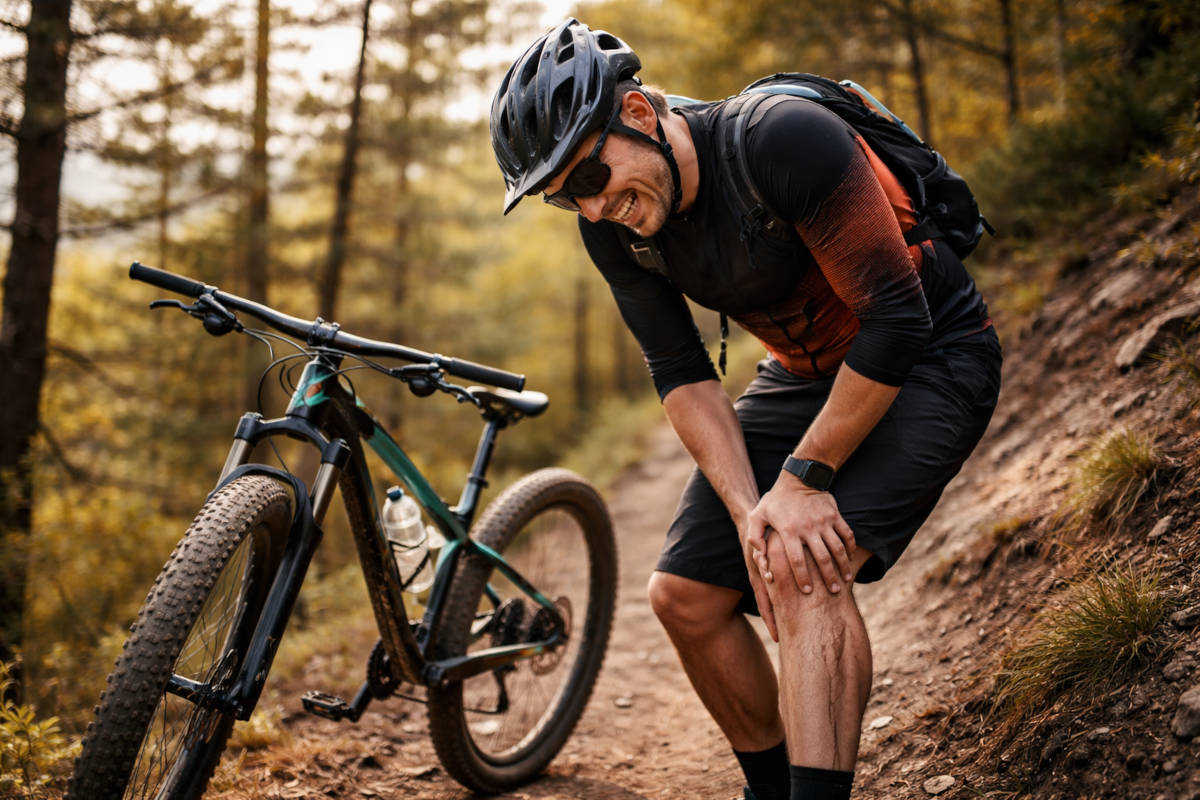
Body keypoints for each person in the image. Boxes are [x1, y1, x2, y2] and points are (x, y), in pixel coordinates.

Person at [490, 19, 1001, 800]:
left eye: (588, 181)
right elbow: (680, 372)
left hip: (935, 353)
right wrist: (747, 512)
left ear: (636, 114)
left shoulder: (782, 141)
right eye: (564, 202)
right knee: (685, 599)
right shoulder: (616, 232)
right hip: (801, 374)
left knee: (803, 572)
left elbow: (899, 321)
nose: (591, 211)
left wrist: (801, 485)